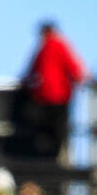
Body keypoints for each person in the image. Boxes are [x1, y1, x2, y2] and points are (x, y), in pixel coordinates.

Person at [21, 22, 85, 161]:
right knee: (58, 131)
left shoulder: (44, 48)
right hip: (60, 97)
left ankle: (46, 156)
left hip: (45, 97)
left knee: (45, 130)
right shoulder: (61, 45)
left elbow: (31, 70)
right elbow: (75, 69)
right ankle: (54, 157)